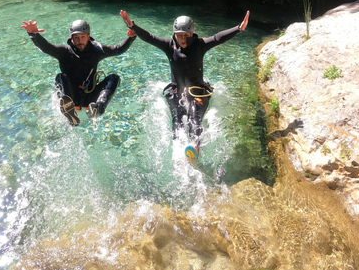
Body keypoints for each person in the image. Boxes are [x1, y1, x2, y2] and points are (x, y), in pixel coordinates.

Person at [120, 10, 250, 160]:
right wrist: (132, 25)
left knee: (194, 116)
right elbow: (149, 37)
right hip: (177, 90)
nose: (182, 39)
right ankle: (179, 147)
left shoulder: (199, 45)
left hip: (198, 90)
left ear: (191, 34)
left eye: (186, 35)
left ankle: (194, 146)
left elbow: (217, 38)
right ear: (174, 34)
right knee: (178, 116)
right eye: (179, 35)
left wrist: (239, 28)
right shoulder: (169, 45)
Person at [21, 15, 136, 126]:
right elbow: (46, 48)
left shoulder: (97, 50)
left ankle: (99, 108)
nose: (80, 41)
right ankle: (69, 111)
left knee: (114, 78)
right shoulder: (64, 51)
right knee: (61, 77)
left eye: (82, 37)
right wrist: (33, 34)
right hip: (71, 97)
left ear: (88, 36)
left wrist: (131, 38)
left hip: (90, 98)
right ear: (71, 38)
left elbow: (117, 50)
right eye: (76, 38)